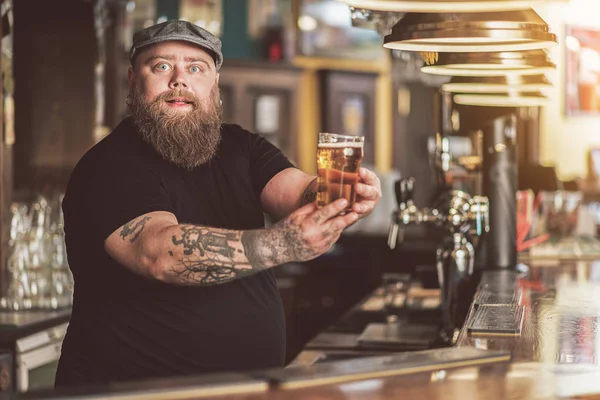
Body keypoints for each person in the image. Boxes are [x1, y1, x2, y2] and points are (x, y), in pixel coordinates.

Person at [55, 19, 382, 387]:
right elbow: (160, 254)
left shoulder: (240, 146)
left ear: (214, 86)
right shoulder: (108, 165)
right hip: (132, 393)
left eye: (196, 68)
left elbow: (297, 192)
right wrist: (281, 244)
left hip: (241, 388)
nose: (180, 79)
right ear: (133, 81)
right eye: (161, 66)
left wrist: (338, 193)